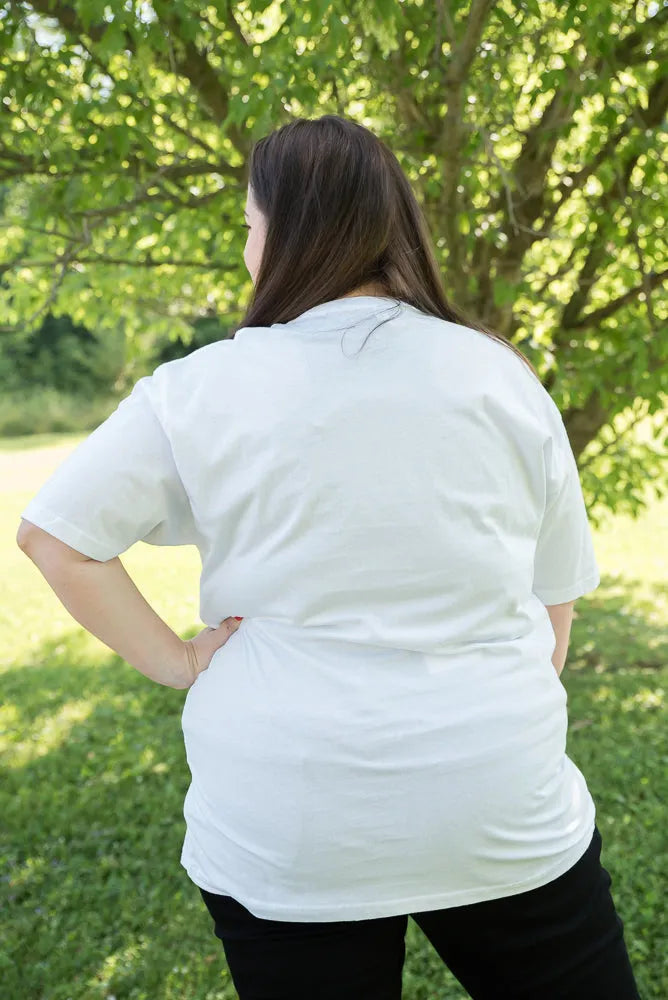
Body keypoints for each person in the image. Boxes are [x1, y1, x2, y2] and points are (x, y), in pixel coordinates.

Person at [17, 114, 640, 1000]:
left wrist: (179, 660)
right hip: (499, 799)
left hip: (290, 820)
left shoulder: (199, 388)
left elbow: (54, 537)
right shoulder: (497, 372)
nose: (244, 246)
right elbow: (554, 605)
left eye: (246, 224)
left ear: (288, 228)